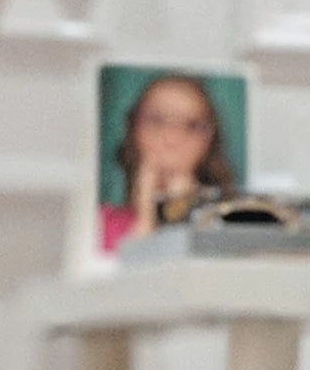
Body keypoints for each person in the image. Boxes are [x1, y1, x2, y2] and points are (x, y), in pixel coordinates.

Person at [100, 73, 237, 252]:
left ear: (210, 140)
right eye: (156, 120)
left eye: (192, 125)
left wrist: (183, 215)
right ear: (133, 129)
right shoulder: (96, 225)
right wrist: (146, 219)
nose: (172, 138)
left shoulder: (230, 226)